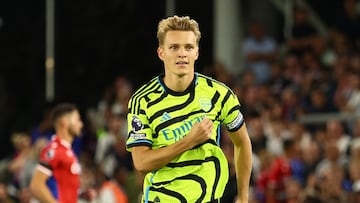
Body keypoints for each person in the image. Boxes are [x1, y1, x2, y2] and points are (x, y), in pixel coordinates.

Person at [126, 15, 252, 203]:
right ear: (161, 53)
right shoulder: (143, 100)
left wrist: (243, 197)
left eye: (188, 47)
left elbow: (242, 143)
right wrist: (189, 141)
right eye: (174, 47)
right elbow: (141, 163)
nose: (182, 53)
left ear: (197, 53)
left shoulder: (219, 94)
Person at [29, 103, 83, 203]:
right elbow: (36, 185)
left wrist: (80, 194)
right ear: (64, 122)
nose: (81, 124)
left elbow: (61, 187)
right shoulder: (54, 151)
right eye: (77, 120)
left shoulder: (67, 150)